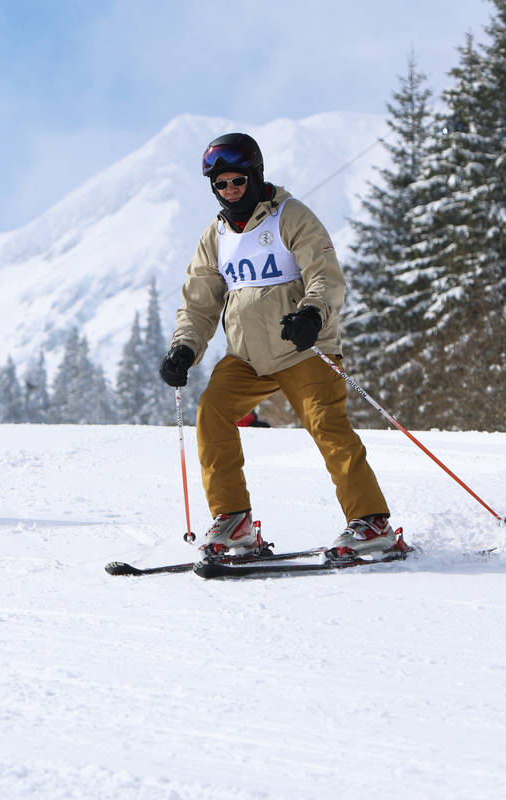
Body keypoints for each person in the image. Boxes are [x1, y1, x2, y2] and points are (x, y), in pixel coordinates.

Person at [158, 133, 406, 561]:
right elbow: (199, 303)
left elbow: (325, 274)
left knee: (327, 426)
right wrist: (184, 348)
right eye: (221, 184)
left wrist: (312, 314)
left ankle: (371, 523)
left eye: (238, 180)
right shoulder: (216, 236)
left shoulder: (290, 216)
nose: (230, 190)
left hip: (303, 350)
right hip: (247, 358)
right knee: (212, 411)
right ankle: (234, 522)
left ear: (256, 175)